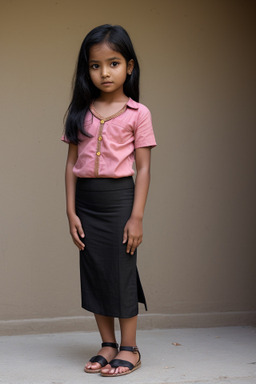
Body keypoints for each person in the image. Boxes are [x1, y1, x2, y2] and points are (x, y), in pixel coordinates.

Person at [62, 24, 156, 377]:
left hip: (120, 201)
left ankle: (130, 348)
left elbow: (144, 169)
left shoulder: (138, 114)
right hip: (86, 202)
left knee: (121, 272)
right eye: (95, 65)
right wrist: (70, 210)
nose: (104, 72)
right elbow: (71, 165)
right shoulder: (79, 112)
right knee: (95, 271)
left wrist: (137, 217)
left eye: (113, 63)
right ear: (86, 69)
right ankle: (107, 344)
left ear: (129, 67)